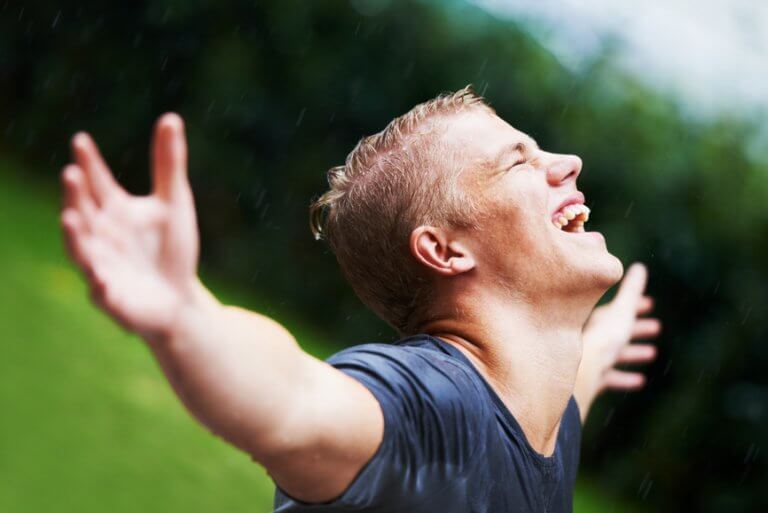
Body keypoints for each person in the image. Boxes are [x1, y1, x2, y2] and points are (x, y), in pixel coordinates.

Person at [59, 86, 660, 513]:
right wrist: (186, 318)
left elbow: (571, 385)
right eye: (517, 162)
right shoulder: (433, 409)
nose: (568, 164)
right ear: (445, 250)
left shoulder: (544, 416)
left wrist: (604, 338)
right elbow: (293, 401)